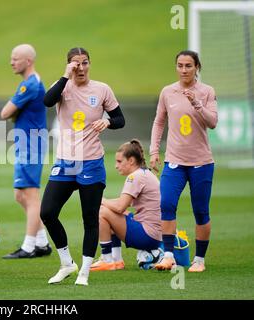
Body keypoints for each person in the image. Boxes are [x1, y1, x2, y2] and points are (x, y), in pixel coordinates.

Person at [41, 47, 125, 285]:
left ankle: (85, 271)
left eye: (85, 63)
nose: (81, 68)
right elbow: (47, 101)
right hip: (65, 162)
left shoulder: (101, 89)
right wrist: (65, 76)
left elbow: (120, 119)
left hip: (91, 162)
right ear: (69, 65)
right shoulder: (62, 86)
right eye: (75, 64)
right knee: (47, 212)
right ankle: (67, 263)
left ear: (90, 64)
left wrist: (107, 122)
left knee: (90, 218)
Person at [150, 50, 218, 272]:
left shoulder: (206, 92)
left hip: (201, 162)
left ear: (197, 67)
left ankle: (199, 260)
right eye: (180, 65)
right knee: (166, 204)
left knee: (200, 210)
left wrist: (198, 104)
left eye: (188, 66)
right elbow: (159, 122)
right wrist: (154, 151)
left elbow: (213, 122)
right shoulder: (168, 92)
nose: (184, 70)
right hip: (174, 161)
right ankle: (168, 255)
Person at [0, 44, 51, 259]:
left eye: (15, 58)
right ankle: (42, 243)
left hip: (31, 145)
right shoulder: (30, 83)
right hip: (27, 143)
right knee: (20, 195)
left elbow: (5, 113)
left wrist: (14, 111)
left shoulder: (29, 85)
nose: (12, 62)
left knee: (30, 196)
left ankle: (29, 247)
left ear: (28, 61)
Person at [89, 140, 162, 272]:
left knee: (102, 212)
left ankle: (107, 259)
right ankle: (116, 260)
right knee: (111, 211)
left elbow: (120, 207)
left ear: (131, 161)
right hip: (155, 235)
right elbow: (123, 204)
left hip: (148, 236)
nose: (116, 166)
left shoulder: (135, 177)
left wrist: (100, 200)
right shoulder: (144, 173)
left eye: (119, 161)